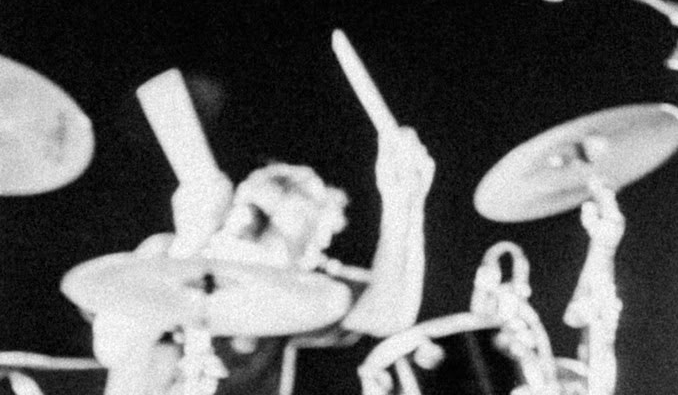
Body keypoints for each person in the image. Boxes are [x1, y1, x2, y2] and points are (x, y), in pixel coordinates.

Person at [89, 126, 434, 395]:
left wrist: (404, 203)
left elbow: (389, 314)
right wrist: (188, 246)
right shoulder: (168, 254)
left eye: (288, 240)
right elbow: (112, 346)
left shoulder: (299, 293)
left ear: (307, 259)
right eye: (257, 219)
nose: (253, 235)